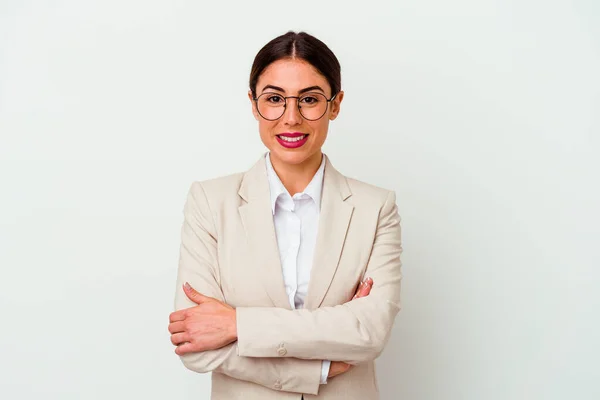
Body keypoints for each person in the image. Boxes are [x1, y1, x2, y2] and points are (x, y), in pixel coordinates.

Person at [167, 31, 403, 400]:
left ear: (335, 104)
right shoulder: (210, 202)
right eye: (274, 99)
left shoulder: (375, 207)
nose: (290, 118)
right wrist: (320, 366)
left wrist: (236, 323)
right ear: (253, 103)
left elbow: (369, 332)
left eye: (309, 100)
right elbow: (196, 344)